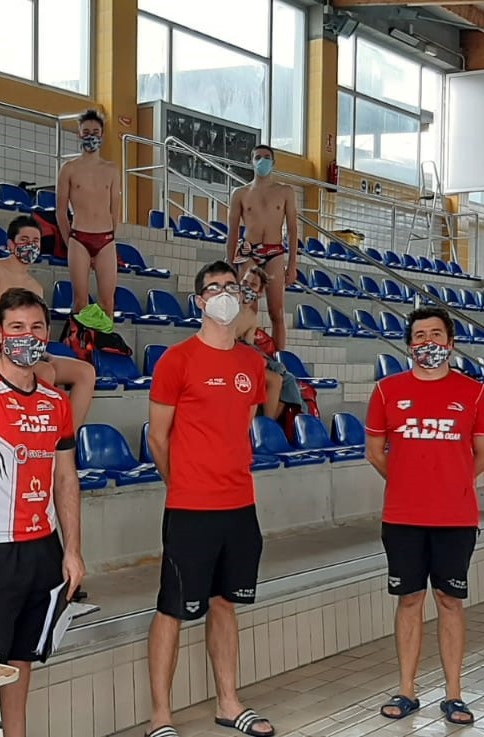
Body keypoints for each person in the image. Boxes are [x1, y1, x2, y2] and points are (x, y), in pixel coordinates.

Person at [0, 287, 86, 737]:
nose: (28, 336)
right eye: (17, 327)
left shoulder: (56, 401)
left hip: (43, 548)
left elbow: (66, 479)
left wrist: (72, 550)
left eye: (36, 327)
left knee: (21, 660)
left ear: (47, 333)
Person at [145, 261, 274, 737]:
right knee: (173, 609)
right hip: (191, 508)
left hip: (239, 505)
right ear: (199, 300)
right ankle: (161, 716)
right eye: (213, 287)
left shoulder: (252, 364)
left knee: (225, 603)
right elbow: (158, 437)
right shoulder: (176, 361)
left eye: (230, 287)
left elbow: (241, 427)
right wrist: (183, 484)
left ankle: (229, 702)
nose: (223, 293)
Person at [364, 307, 484, 726]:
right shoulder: (387, 391)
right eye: (420, 336)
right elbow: (375, 452)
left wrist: (450, 482)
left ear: (451, 343)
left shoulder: (476, 394)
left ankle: (454, 694)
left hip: (455, 518)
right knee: (409, 599)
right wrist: (409, 481)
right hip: (403, 516)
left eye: (436, 334)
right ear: (409, 344)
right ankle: (407, 689)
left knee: (450, 600)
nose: (428, 343)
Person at [0, 215, 97, 421]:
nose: (30, 245)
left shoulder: (36, 287)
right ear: (11, 244)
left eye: (35, 241)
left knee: (85, 372)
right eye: (24, 240)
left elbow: (36, 330)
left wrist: (41, 353)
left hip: (30, 354)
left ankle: (66, 436)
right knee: (44, 371)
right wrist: (14, 349)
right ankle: (34, 432)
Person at [227, 145, 299, 353]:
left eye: (267, 157)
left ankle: (279, 359)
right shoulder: (240, 193)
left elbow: (293, 229)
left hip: (275, 252)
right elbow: (233, 232)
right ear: (252, 161)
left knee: (277, 312)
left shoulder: (285, 192)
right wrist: (230, 264)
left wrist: (292, 265)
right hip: (248, 252)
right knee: (248, 310)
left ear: (273, 163)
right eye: (258, 157)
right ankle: (247, 356)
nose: (262, 161)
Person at [55, 110, 122, 319]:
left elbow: (115, 210)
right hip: (78, 238)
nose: (90, 136)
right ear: (79, 135)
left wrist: (111, 236)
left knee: (108, 303)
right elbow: (61, 211)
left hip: (106, 239)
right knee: (80, 302)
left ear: (102, 135)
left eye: (95, 132)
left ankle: (104, 339)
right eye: (86, 132)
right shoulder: (69, 169)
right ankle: (80, 338)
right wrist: (70, 242)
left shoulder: (112, 170)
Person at [234, 267, 302, 420]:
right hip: (227, 358)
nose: (247, 287)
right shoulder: (229, 308)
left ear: (259, 293)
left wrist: (259, 360)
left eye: (252, 285)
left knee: (286, 380)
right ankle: (266, 423)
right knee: (275, 379)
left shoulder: (252, 317)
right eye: (245, 282)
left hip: (242, 358)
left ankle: (269, 424)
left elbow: (248, 345)